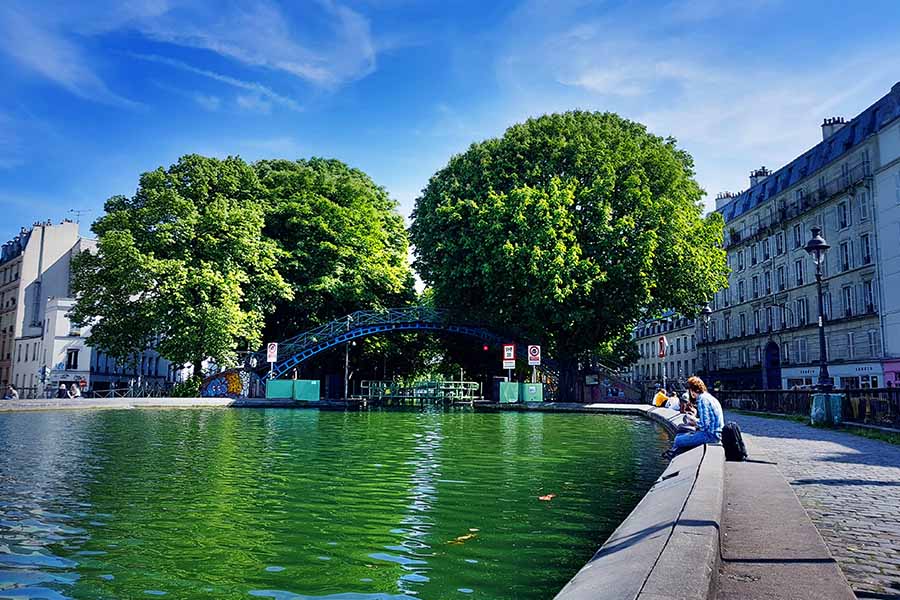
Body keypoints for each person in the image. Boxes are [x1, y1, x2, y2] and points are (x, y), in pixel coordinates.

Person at [663, 376, 724, 459]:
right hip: (716, 433)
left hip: (711, 436)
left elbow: (703, 425)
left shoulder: (702, 400)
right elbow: (708, 421)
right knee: (682, 433)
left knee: (678, 440)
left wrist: (693, 420)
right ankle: (673, 454)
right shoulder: (709, 397)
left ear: (692, 390)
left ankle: (673, 456)